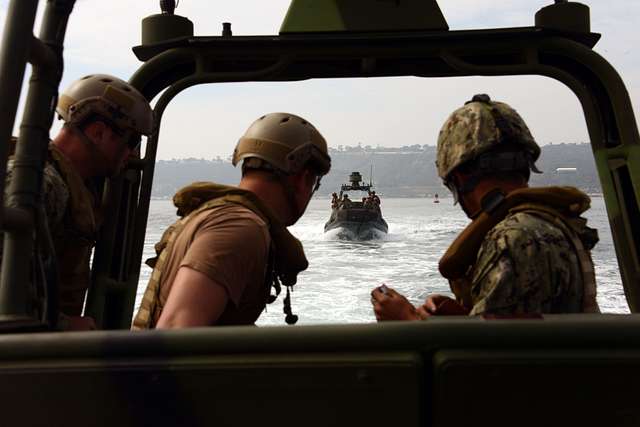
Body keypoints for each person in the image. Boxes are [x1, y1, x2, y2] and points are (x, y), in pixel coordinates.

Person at [371, 94, 599, 320]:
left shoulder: (514, 239)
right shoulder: (549, 223)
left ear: (459, 179)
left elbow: (490, 354)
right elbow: (521, 331)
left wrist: (406, 319)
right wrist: (462, 317)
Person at [133, 112, 331, 329]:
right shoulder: (240, 228)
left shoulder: (223, 216)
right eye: (313, 184)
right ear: (303, 179)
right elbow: (177, 329)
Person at [3, 74, 153, 330]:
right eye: (131, 141)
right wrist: (62, 325)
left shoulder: (64, 184)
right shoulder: (41, 184)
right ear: (99, 132)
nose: (131, 154)